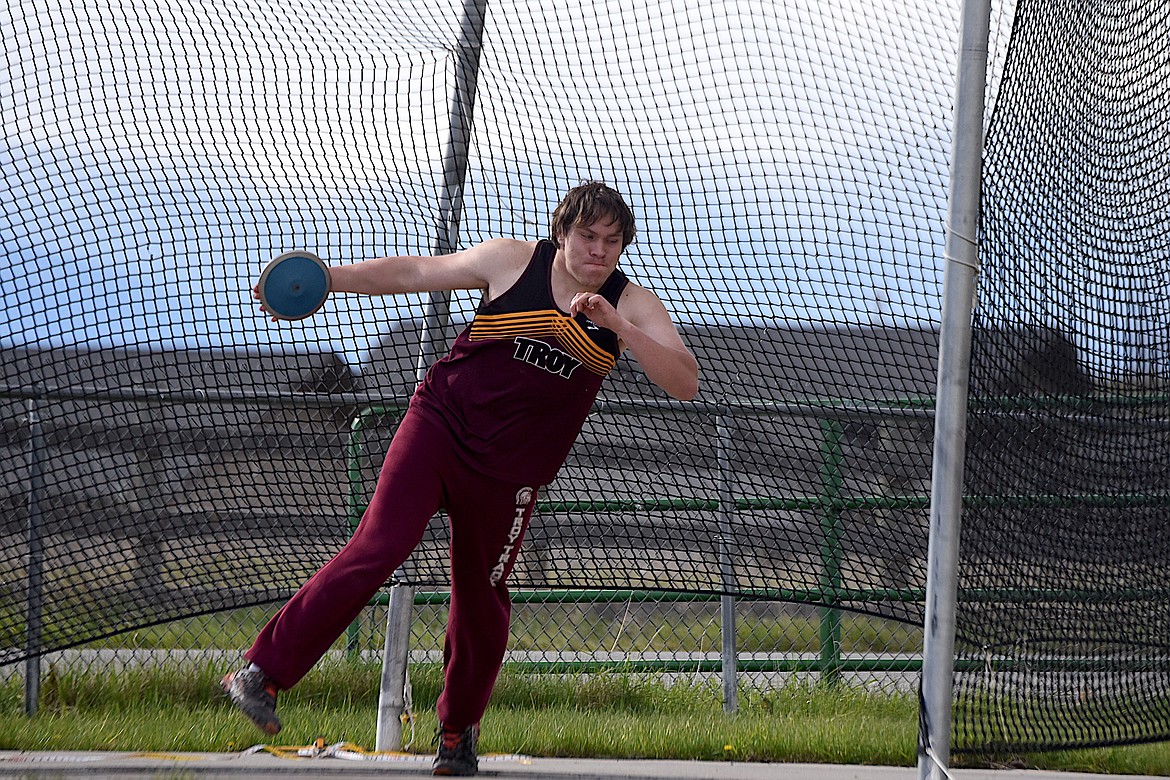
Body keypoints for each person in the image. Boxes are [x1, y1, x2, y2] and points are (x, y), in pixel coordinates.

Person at [223, 181, 699, 776]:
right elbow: (418, 272)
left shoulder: (630, 304)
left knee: (481, 595)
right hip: (439, 429)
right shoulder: (511, 261)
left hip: (510, 474)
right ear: (562, 233)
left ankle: (456, 734)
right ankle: (261, 672)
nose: (597, 251)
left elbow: (684, 380)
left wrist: (618, 327)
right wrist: (328, 277)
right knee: (379, 547)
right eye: (587, 236)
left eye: (611, 242)